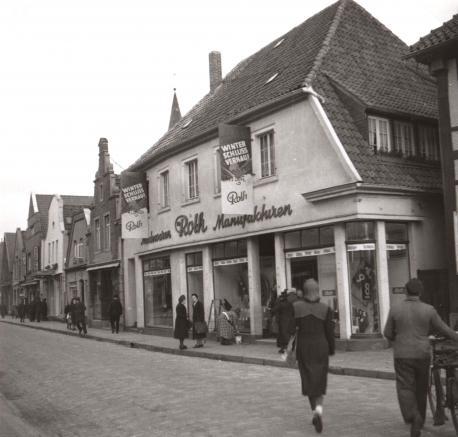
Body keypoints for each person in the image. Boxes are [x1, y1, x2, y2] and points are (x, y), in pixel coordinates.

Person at [383, 278, 458, 437]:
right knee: (421, 388)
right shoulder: (428, 310)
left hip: (402, 355)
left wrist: (399, 339)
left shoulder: (395, 309)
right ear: (420, 292)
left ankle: (412, 416)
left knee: (404, 386)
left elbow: (387, 333)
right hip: (422, 354)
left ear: (405, 291)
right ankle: (420, 419)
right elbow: (444, 329)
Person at [294, 279, 335, 434]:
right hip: (321, 347)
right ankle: (318, 410)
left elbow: (291, 329)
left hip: (304, 348)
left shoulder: (297, 308)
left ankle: (314, 411)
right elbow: (330, 332)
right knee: (319, 380)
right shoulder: (325, 308)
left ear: (304, 292)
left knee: (308, 380)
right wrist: (331, 349)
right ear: (317, 291)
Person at [272, 289, 295, 353]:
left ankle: (284, 348)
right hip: (291, 320)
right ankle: (289, 347)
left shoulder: (281, 303)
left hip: (283, 320)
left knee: (283, 335)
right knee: (289, 334)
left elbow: (274, 309)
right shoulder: (292, 302)